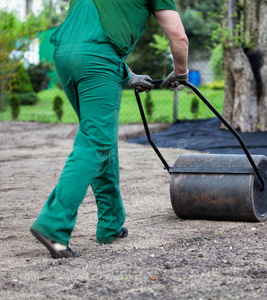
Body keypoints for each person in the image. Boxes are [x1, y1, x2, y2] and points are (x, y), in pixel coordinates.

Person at [30, 0, 189, 259]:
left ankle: (110, 224)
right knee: (95, 142)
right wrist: (181, 72)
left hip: (64, 56)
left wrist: (126, 74)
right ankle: (53, 225)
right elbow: (178, 36)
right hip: (97, 61)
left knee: (102, 141)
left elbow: (87, 33)